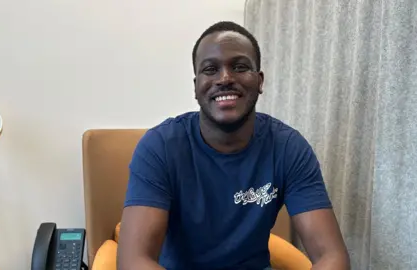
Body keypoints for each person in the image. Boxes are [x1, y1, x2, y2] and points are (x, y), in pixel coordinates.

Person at [117, 21, 350, 270]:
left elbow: (332, 257)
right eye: (210, 69)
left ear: (259, 81)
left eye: (239, 67)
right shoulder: (159, 147)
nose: (225, 78)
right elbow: (133, 261)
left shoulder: (289, 148)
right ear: (196, 86)